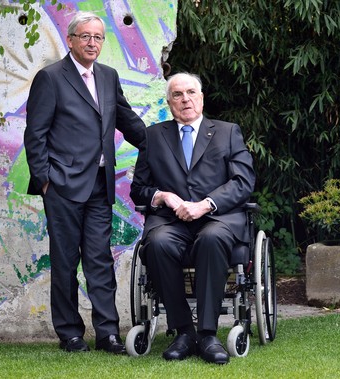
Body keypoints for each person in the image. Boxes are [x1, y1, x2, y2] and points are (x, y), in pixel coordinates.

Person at [24, 11, 146, 354]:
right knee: (64, 261)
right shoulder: (50, 78)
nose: (93, 42)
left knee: (99, 260)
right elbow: (35, 135)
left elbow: (126, 118)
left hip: (100, 186)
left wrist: (159, 145)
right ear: (71, 40)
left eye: (98, 37)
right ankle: (70, 334)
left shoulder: (108, 76)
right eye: (86, 36)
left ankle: (107, 333)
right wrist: (46, 181)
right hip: (62, 186)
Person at [130, 72, 255, 364]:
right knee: (157, 243)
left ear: (201, 97)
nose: (185, 99)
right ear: (169, 102)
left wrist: (206, 204)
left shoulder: (227, 132)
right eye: (177, 94)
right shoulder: (153, 135)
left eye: (190, 93)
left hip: (217, 218)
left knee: (212, 238)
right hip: (170, 220)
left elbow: (243, 181)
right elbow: (139, 190)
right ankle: (184, 332)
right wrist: (162, 196)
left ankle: (208, 334)